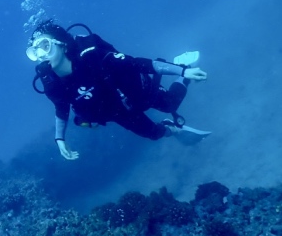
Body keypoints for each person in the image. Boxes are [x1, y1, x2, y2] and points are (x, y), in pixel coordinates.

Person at [27, 20, 209, 160]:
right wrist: (60, 140)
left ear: (62, 45)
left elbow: (137, 64)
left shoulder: (92, 56)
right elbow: (61, 108)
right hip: (115, 112)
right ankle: (173, 129)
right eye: (34, 51)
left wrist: (183, 70)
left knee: (169, 104)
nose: (41, 55)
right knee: (153, 134)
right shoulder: (49, 80)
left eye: (45, 46)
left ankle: (184, 69)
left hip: (131, 89)